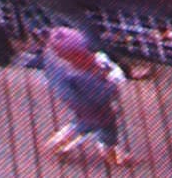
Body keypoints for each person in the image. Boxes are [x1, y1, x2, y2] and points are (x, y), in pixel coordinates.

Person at [43, 28, 131, 165]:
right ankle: (109, 153)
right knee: (104, 122)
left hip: (68, 94)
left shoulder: (51, 55)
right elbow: (105, 94)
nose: (87, 53)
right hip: (88, 100)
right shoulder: (81, 75)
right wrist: (112, 79)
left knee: (86, 118)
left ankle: (65, 137)